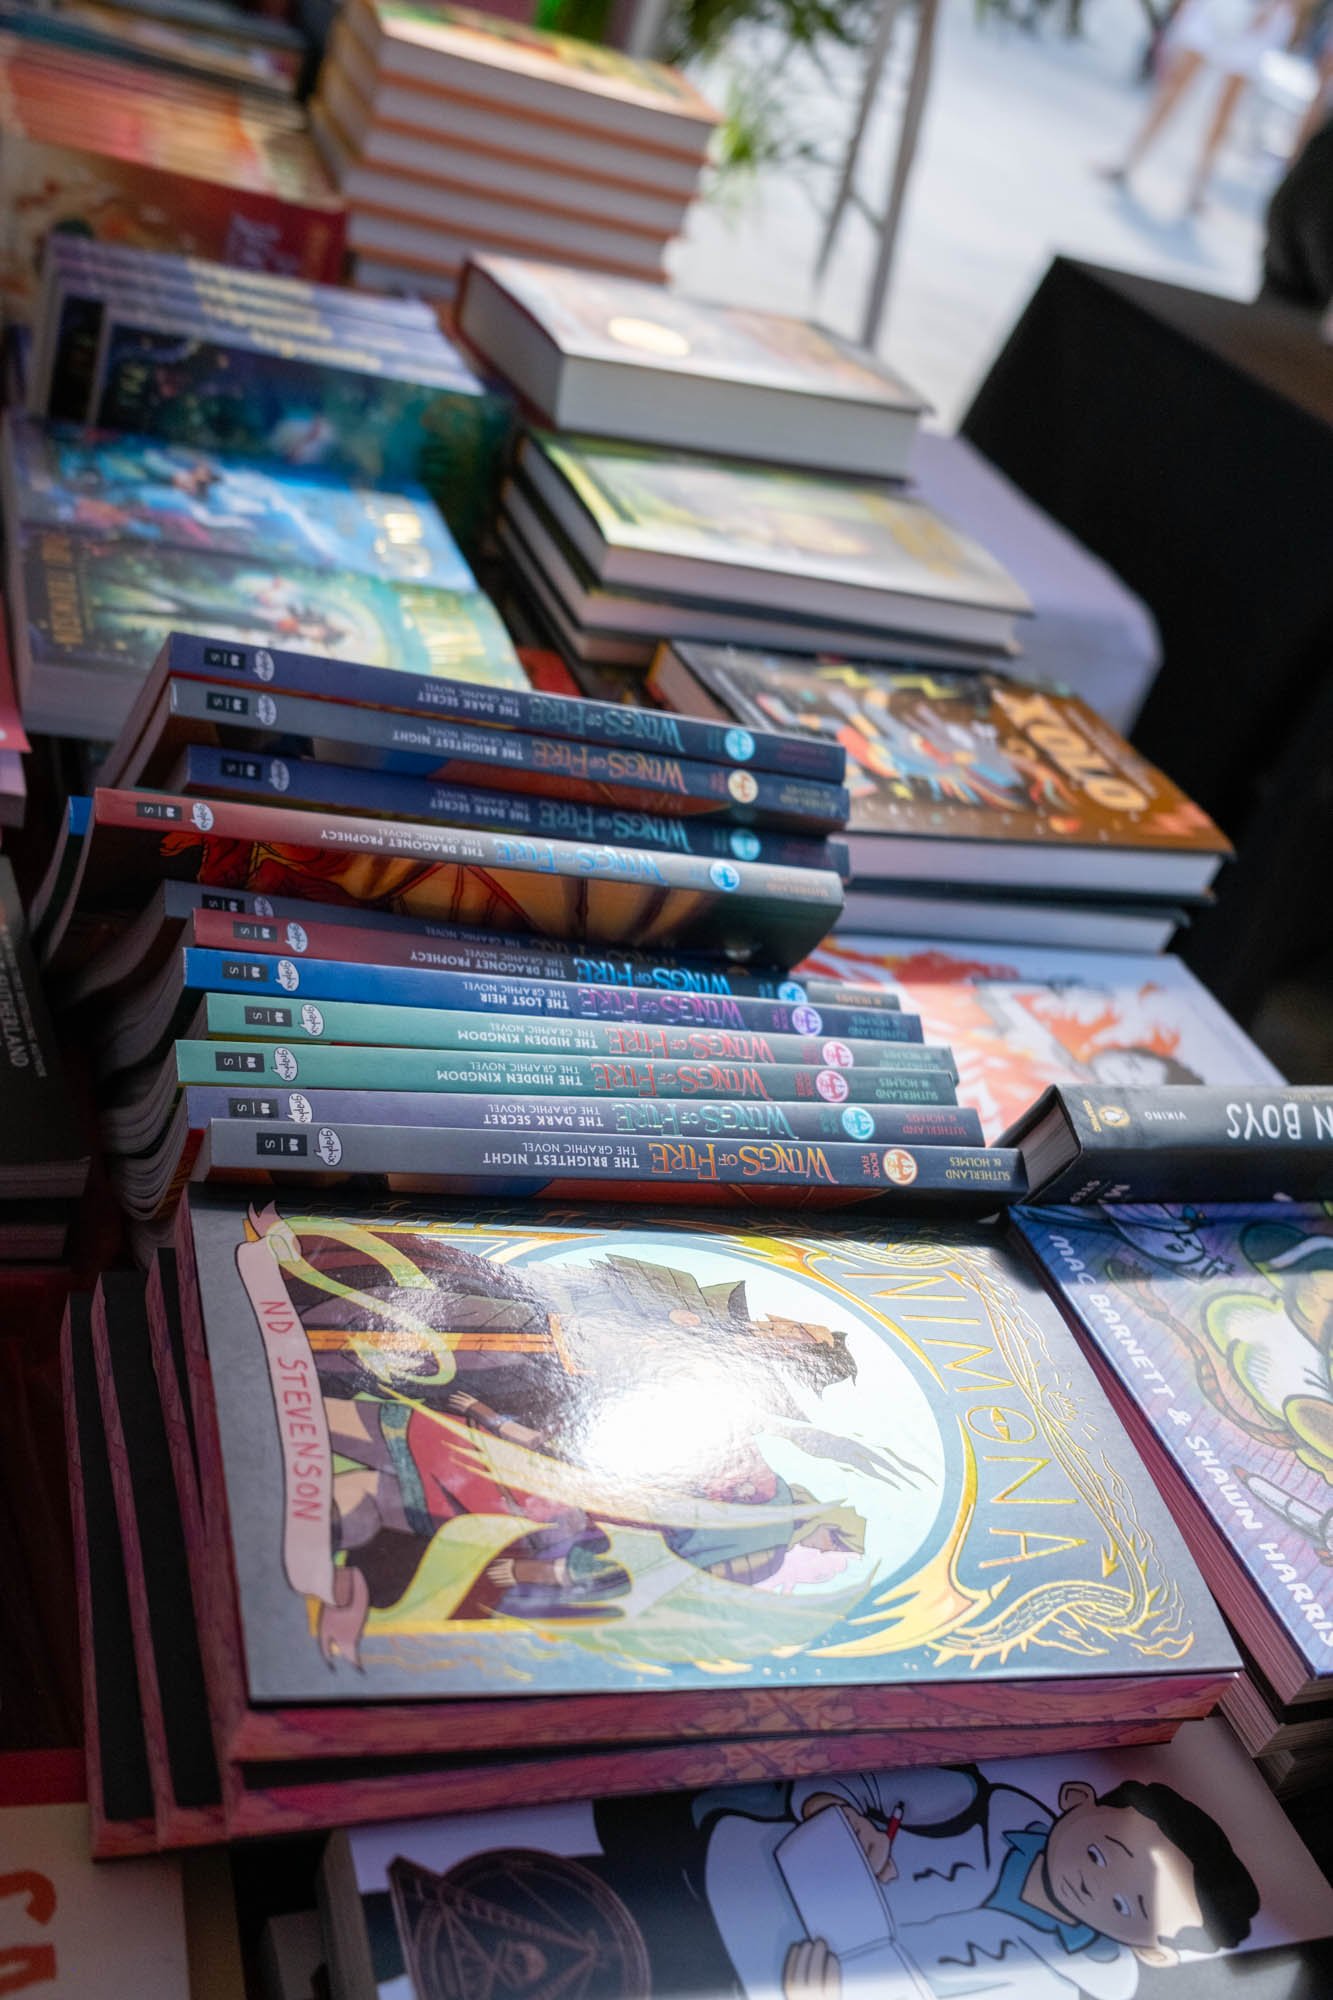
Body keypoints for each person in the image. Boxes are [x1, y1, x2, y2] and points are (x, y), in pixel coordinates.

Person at [702, 1763, 1258, 1997]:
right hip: (738, 1867)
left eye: (1127, 1906)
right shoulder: (974, 1804)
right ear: (1076, 1799)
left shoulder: (1051, 1987)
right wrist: (838, 1812)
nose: (1096, 1884)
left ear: (1154, 1952)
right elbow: (862, 1782)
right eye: (1098, 1852)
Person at [1101, 0, 1297, 212]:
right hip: (1215, 8)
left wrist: (1272, 8)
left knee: (1225, 109)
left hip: (1260, 14)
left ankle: (1198, 187)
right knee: (1175, 84)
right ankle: (1129, 160)